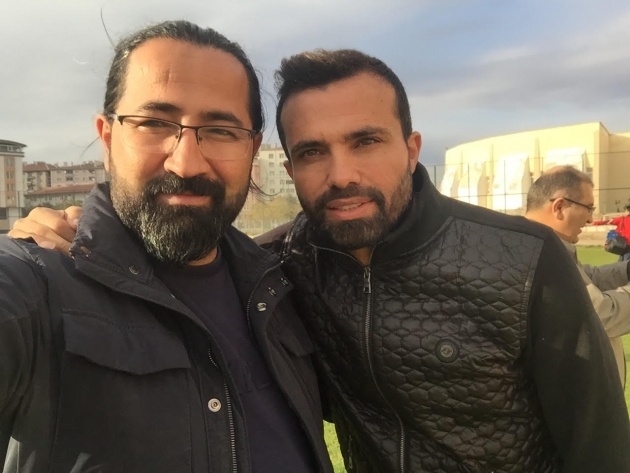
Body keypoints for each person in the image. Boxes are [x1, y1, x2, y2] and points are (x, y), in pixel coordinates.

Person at [12, 49, 630, 472]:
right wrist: (61, 232)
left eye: (366, 141)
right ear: (288, 166)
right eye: (312, 152)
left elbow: (600, 446)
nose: (341, 174)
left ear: (412, 148)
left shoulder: (523, 259)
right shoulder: (278, 266)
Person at [0, 21, 333, 473]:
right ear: (108, 137)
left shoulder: (278, 284)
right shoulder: (35, 282)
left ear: (253, 148)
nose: (186, 162)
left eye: (221, 130)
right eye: (154, 123)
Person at [525, 165, 630, 385]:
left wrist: (627, 270)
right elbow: (600, 314)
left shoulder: (534, 244)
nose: (590, 219)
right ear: (559, 207)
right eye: (588, 208)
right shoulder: (541, 254)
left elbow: (585, 277)